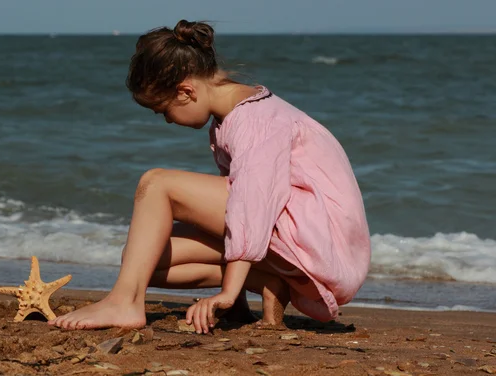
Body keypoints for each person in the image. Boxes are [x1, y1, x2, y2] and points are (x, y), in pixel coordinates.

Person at [49, 20, 371, 334]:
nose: (167, 121)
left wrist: (226, 293)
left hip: (319, 245)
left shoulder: (255, 120)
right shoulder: (233, 114)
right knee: (143, 257)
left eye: (164, 111)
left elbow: (252, 206)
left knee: (157, 183)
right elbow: (239, 208)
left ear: (186, 91)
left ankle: (123, 303)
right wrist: (237, 301)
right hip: (299, 236)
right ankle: (267, 282)